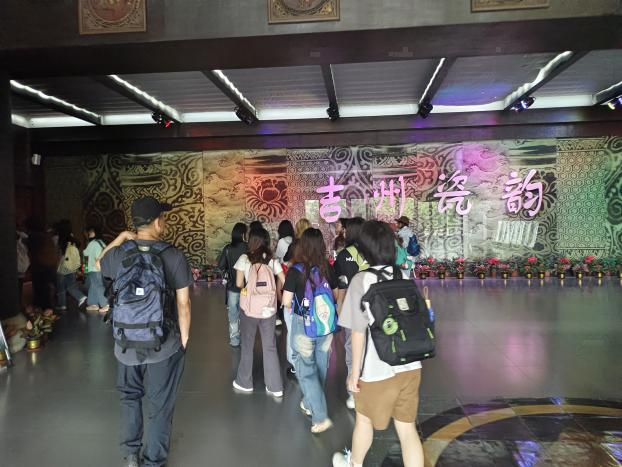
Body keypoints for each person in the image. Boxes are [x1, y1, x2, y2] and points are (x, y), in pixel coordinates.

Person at [99, 196, 192, 467]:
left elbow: (99, 262)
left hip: (126, 342)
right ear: (157, 222)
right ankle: (153, 462)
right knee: (160, 405)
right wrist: (184, 340)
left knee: (130, 396)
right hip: (163, 344)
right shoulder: (173, 255)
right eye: (163, 218)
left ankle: (131, 455)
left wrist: (121, 237)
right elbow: (183, 304)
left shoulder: (120, 254)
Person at [333, 220, 424, 467]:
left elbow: (357, 332)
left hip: (376, 370)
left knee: (364, 421)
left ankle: (354, 464)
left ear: (365, 249)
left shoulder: (361, 281)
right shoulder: (403, 275)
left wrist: (354, 374)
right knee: (407, 430)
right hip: (410, 366)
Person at [282, 228, 338, 433]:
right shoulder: (327, 268)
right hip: (326, 324)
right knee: (321, 365)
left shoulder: (296, 270)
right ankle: (309, 402)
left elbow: (286, 301)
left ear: (302, 246)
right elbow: (336, 295)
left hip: (303, 324)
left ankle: (320, 417)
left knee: (306, 371)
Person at [233, 227, 285, 397]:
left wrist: (250, 289)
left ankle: (244, 382)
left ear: (251, 241)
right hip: (268, 309)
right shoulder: (272, 260)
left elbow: (239, 284)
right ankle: (275, 387)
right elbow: (284, 280)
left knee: (247, 345)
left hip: (249, 309)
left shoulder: (244, 258)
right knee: (270, 346)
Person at [333, 216, 366, 410]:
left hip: (353, 309)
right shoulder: (373, 252)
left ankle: (354, 393)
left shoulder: (344, 256)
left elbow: (341, 287)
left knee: (352, 349)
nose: (343, 233)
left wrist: (339, 309)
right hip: (374, 307)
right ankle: (371, 388)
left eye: (346, 230)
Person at [217, 222, 248, 347]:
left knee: (233, 314)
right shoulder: (248, 248)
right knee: (246, 313)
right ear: (243, 234)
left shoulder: (228, 248)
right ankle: (247, 339)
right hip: (246, 287)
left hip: (232, 288)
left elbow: (220, 265)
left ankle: (235, 340)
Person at [56, 221, 87, 311]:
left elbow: (60, 254)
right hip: (72, 265)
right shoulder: (72, 239)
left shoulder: (61, 239)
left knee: (61, 286)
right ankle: (80, 297)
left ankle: (62, 304)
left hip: (64, 266)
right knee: (71, 285)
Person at [83, 226, 108, 313]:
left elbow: (86, 256)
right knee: (93, 286)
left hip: (94, 268)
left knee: (97, 285)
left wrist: (85, 270)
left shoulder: (93, 243)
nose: (89, 234)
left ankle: (105, 304)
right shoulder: (102, 242)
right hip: (101, 268)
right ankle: (93, 303)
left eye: (90, 232)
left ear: (94, 233)